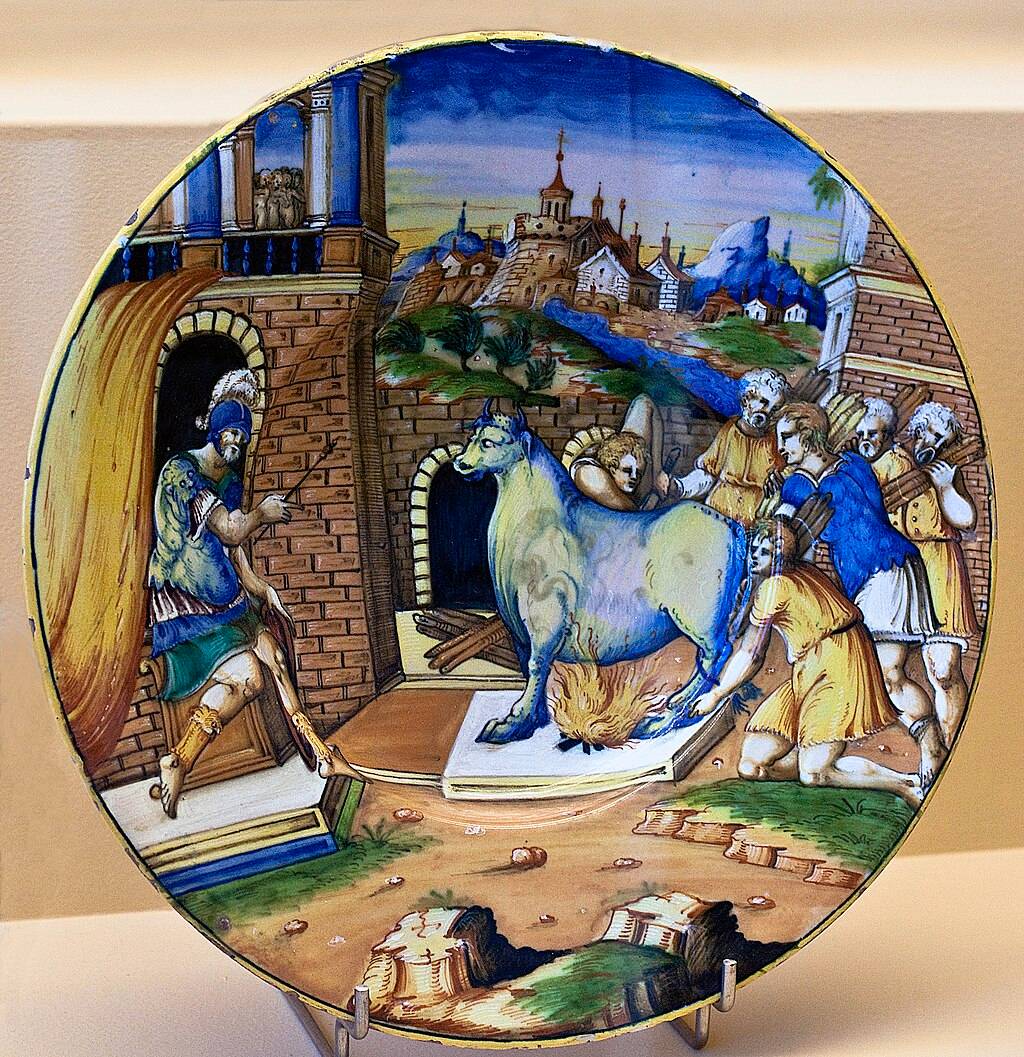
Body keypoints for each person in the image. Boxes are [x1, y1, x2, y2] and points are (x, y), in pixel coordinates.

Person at [147, 370, 358, 818]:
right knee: (250, 677)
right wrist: (262, 513)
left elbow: (233, 547)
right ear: (215, 428)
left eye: (242, 436)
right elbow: (230, 528)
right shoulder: (181, 473)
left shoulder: (227, 480)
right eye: (231, 432)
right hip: (190, 602)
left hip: (227, 597)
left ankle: (321, 755)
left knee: (275, 659)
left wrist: (261, 587)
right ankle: (178, 760)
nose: (237, 442)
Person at [771, 401, 945, 790]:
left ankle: (931, 746)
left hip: (887, 566)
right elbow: (788, 538)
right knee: (878, 674)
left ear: (808, 435)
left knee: (886, 673)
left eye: (787, 437)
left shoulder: (852, 466)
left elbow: (870, 517)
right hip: (860, 582)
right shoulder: (795, 486)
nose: (780, 447)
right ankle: (823, 750)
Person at [689, 520, 920, 806]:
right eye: (754, 550)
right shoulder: (802, 572)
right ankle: (813, 751)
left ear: (780, 556)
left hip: (842, 664)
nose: (756, 557)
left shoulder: (774, 588)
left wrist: (716, 694)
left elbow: (751, 654)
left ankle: (904, 784)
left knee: (813, 774)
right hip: (807, 669)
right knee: (751, 765)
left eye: (765, 552)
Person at [856, 398, 980, 746]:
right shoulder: (892, 461)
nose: (930, 442)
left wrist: (945, 487)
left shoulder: (948, 469)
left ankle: (952, 744)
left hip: (939, 570)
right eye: (924, 433)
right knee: (887, 669)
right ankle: (930, 744)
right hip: (899, 571)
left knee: (943, 671)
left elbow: (966, 519)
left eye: (938, 437)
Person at [657, 368, 787, 527]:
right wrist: (679, 487)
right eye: (763, 402)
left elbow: (783, 481)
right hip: (715, 517)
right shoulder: (729, 431)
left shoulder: (775, 442)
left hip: (750, 526)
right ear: (747, 399)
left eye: (774, 409)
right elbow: (708, 473)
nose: (767, 412)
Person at [569, 393, 664, 510]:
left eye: (639, 473)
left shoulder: (634, 472)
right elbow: (629, 511)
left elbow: (645, 402)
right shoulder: (588, 471)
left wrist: (658, 473)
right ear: (612, 469)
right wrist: (652, 500)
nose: (634, 477)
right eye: (627, 470)